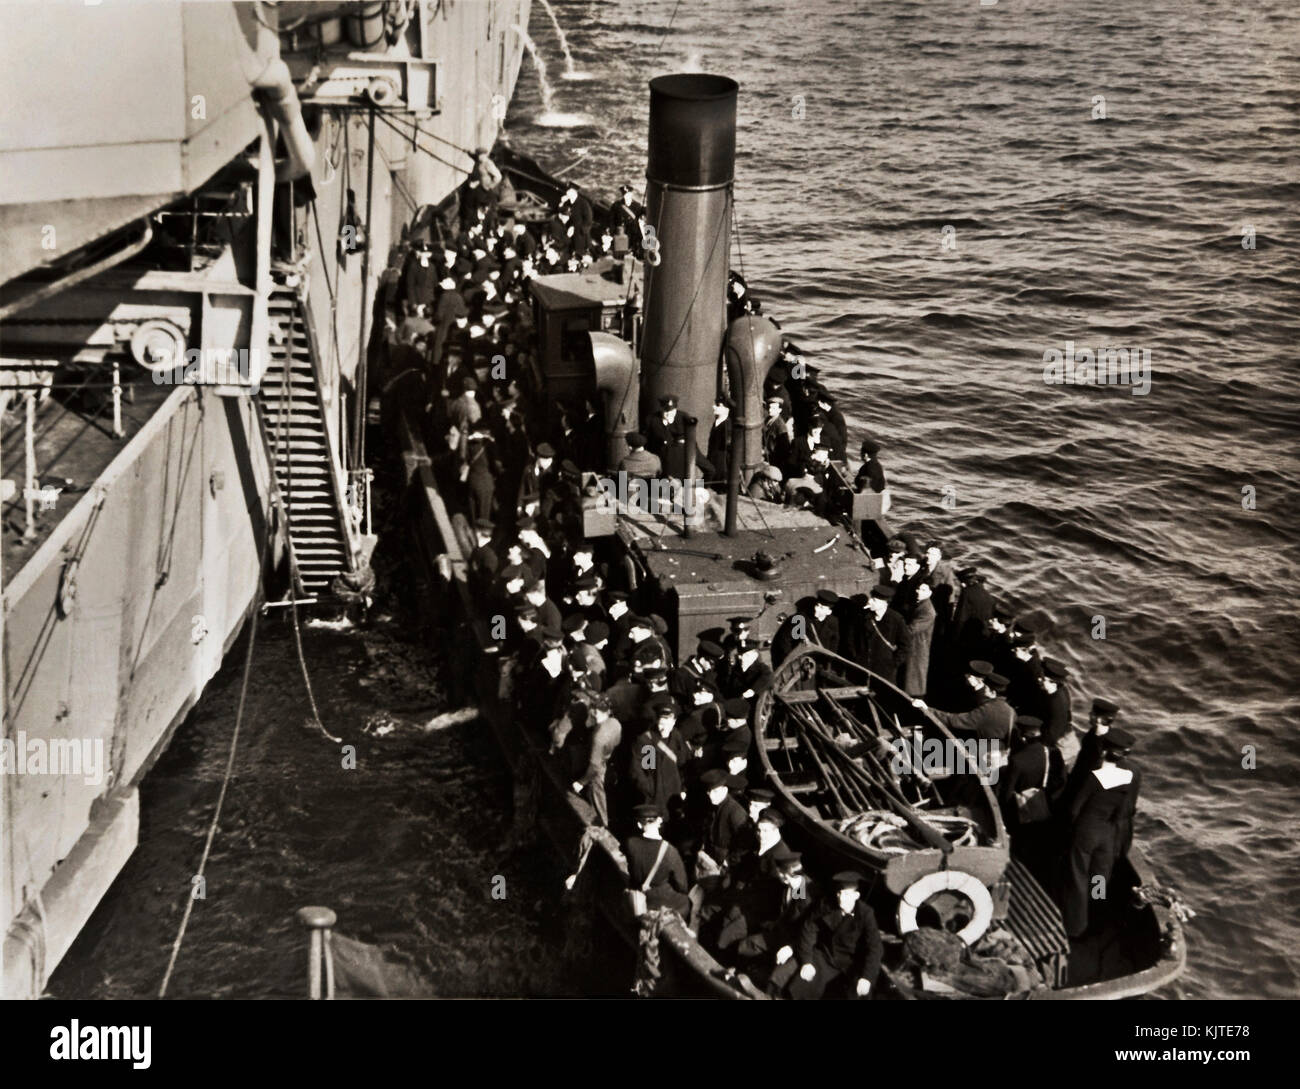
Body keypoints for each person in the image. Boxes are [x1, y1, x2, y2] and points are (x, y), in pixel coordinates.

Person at [1061, 727, 1140, 938]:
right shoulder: (1130, 776)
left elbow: (1074, 809)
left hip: (1086, 832)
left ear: (1105, 751)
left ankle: (1076, 927)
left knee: (1078, 878)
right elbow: (1126, 810)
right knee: (1099, 879)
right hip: (1108, 834)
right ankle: (1096, 920)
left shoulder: (1095, 777)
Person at [786, 871, 883, 1000]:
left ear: (856, 895)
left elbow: (875, 948)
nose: (841, 898)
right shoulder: (826, 905)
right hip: (827, 957)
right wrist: (807, 961)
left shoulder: (866, 914)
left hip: (852, 963)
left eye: (847, 894)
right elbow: (808, 929)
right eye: (840, 893)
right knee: (803, 985)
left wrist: (867, 977)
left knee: (858, 993)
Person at [913, 671, 1015, 745]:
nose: (984, 690)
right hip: (1000, 754)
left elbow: (953, 720)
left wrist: (926, 709)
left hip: (983, 755)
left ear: (993, 693)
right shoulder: (1011, 711)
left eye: (986, 688)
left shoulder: (987, 710)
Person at [625, 805, 692, 916]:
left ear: (639, 825)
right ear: (659, 821)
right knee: (686, 902)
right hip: (662, 900)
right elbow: (682, 885)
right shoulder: (669, 850)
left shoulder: (630, 843)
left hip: (641, 896)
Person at [571, 694, 622, 827]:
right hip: (608, 761)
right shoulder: (615, 723)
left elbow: (594, 766)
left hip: (597, 769)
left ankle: (601, 829)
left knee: (598, 802)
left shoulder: (599, 736)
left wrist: (581, 783)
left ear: (594, 711)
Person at [844, 585, 909, 685]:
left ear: (884, 603)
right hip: (863, 668)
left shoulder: (896, 619)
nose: (870, 601)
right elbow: (850, 637)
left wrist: (893, 664)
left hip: (885, 672)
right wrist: (856, 656)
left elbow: (905, 645)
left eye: (874, 600)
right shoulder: (863, 616)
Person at [696, 768, 749, 876]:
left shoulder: (735, 811)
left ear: (725, 790)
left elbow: (745, 845)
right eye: (709, 792)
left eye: (715, 792)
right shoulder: (714, 805)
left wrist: (728, 863)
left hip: (727, 866)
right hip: (712, 858)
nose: (711, 796)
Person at [903, 581, 936, 697]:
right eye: (918, 589)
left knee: (915, 677)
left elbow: (912, 629)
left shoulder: (928, 612)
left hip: (918, 648)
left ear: (930, 593)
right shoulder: (920, 604)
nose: (918, 592)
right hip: (915, 645)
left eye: (923, 590)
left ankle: (915, 699)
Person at [644, 394, 689, 480]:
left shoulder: (684, 418)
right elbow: (647, 442)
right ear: (661, 409)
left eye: (672, 411)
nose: (669, 414)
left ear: (676, 409)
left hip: (678, 462)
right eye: (666, 411)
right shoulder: (651, 420)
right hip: (660, 461)